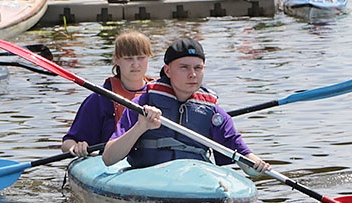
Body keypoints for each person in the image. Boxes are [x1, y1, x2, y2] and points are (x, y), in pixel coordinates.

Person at [103, 38, 269, 173]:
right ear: (168, 71)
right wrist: (140, 127)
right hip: (150, 176)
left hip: (194, 179)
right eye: (184, 67)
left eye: (198, 68)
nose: (193, 74)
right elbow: (109, 158)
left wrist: (257, 164)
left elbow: (243, 156)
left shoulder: (213, 113)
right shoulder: (142, 105)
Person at [62, 31, 153, 156]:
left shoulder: (159, 94)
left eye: (141, 58)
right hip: (112, 164)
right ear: (117, 60)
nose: (135, 64)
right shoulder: (100, 99)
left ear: (149, 57)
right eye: (128, 58)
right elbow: (68, 143)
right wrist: (76, 147)